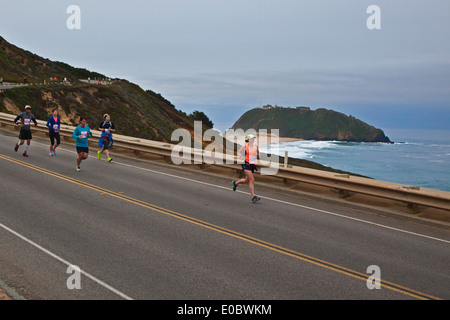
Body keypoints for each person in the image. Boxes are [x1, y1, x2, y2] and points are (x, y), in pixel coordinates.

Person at [232, 134, 261, 203]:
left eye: (253, 138)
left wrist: (257, 155)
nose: (253, 140)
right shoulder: (245, 146)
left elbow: (258, 156)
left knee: (246, 180)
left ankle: (235, 183)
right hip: (246, 164)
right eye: (251, 138)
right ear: (248, 140)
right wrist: (240, 156)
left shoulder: (256, 147)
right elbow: (238, 152)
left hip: (252, 165)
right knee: (252, 180)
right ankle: (253, 197)